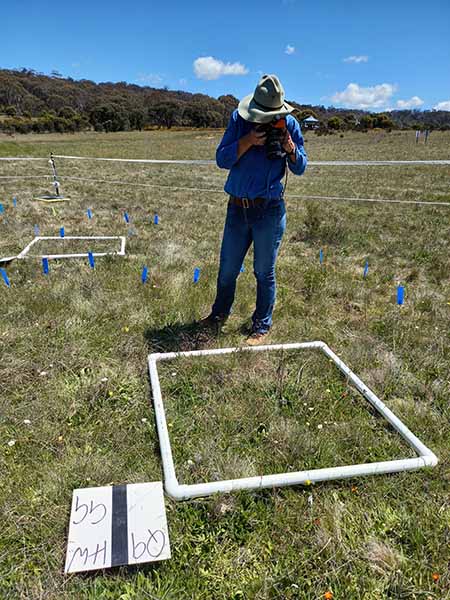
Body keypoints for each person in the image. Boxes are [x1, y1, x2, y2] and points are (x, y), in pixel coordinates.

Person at [202, 74, 307, 344]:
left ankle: (261, 325)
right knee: (227, 268)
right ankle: (218, 315)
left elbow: (301, 167)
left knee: (264, 271)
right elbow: (221, 159)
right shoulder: (239, 121)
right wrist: (248, 141)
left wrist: (290, 147)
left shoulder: (289, 124)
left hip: (269, 210)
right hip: (237, 209)